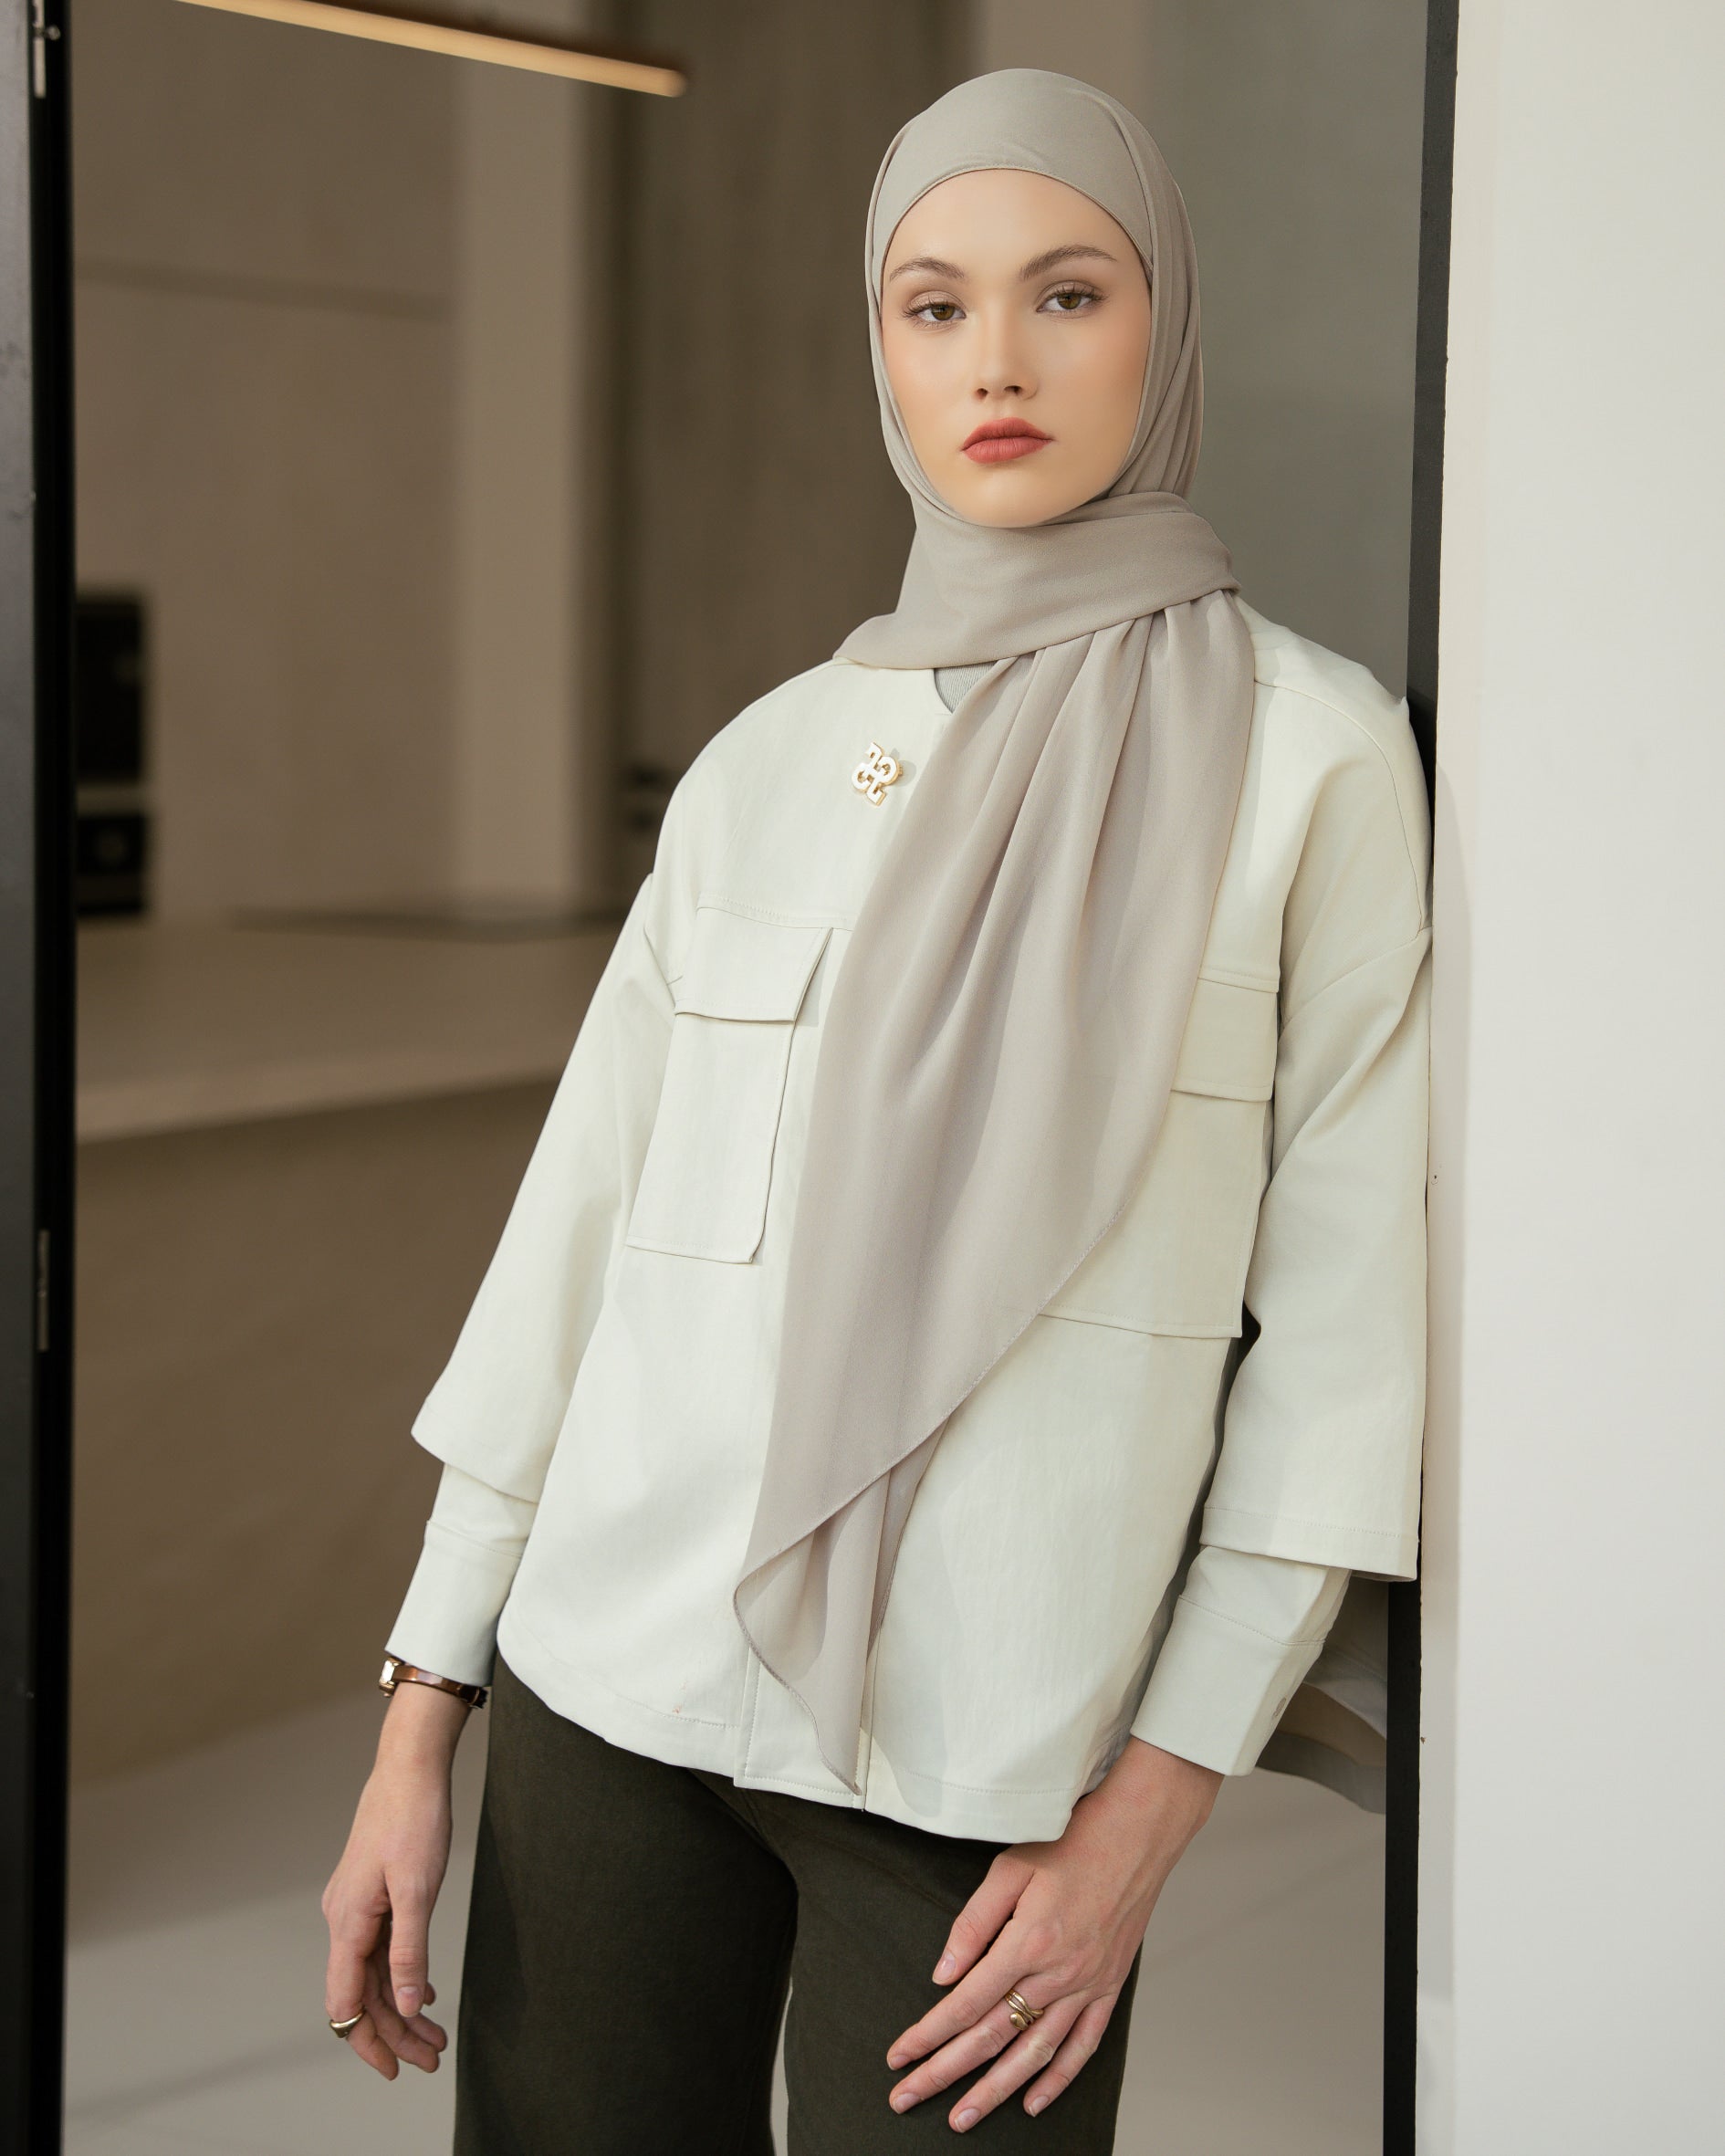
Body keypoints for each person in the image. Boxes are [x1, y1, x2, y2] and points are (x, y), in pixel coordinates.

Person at [321, 68, 1430, 2151]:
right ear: (884, 346)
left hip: (990, 1755)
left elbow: (1347, 1352)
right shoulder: (764, 760)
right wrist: (420, 1711)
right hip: (610, 1688)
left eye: (1067, 293)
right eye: (934, 305)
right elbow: (576, 1252)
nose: (994, 361)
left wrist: (1148, 1809)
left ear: (1166, 322)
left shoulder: (1316, 762)